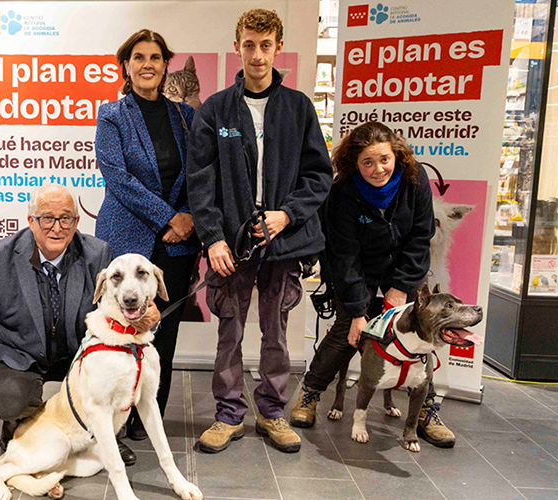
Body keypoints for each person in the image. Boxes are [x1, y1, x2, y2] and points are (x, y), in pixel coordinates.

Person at [0, 184, 158, 465]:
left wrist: (143, 316)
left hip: (77, 351)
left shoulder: (97, 253)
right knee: (11, 399)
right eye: (47, 218)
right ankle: (18, 427)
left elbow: (112, 307)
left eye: (66, 218)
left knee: (112, 371)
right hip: (18, 352)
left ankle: (103, 435)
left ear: (76, 221)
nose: (57, 227)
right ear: (30, 221)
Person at [186, 8, 332, 454]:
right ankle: (228, 415)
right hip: (231, 244)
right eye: (249, 45)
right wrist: (212, 238)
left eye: (265, 45)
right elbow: (200, 180)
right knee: (229, 329)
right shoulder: (216, 110)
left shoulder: (299, 107)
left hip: (283, 242)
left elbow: (318, 176)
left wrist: (287, 214)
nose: (257, 54)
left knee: (277, 331)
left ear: (277, 48)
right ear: (238, 47)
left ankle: (271, 412)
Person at [289, 122, 455, 448]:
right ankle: (310, 392)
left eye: (383, 160)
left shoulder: (415, 179)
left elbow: (420, 238)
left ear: (396, 155)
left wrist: (401, 286)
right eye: (367, 162)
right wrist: (356, 310)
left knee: (419, 336)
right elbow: (344, 254)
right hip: (359, 268)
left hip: (403, 267)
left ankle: (426, 410)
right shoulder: (342, 192)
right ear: (355, 163)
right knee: (346, 333)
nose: (377, 169)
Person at [95, 29, 200, 440]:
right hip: (127, 236)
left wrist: (188, 215)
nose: (147, 65)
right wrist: (168, 218)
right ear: (126, 65)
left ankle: (147, 417)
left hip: (178, 243)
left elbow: (200, 175)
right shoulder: (112, 114)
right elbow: (117, 178)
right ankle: (114, 416)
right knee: (122, 327)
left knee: (164, 332)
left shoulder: (185, 117)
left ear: (165, 65)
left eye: (155, 57)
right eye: (138, 57)